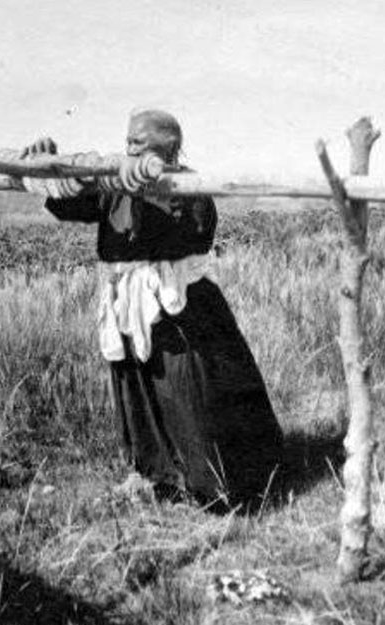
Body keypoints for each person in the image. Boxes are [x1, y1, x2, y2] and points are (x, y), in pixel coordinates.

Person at [23, 109, 283, 510]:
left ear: (170, 147)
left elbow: (187, 227)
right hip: (129, 307)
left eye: (139, 143)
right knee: (137, 395)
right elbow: (72, 203)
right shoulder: (116, 179)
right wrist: (45, 167)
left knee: (186, 395)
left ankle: (218, 486)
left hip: (179, 310)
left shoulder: (189, 184)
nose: (129, 148)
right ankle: (157, 477)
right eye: (127, 141)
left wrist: (144, 187)